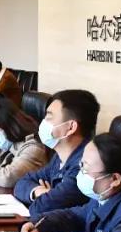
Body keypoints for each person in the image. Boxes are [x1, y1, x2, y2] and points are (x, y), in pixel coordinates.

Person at [14, 89, 100, 219]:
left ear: (71, 127)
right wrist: (38, 192)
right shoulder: (59, 158)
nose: (43, 122)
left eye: (49, 117)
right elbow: (21, 183)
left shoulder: (85, 166)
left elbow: (40, 208)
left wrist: (45, 197)